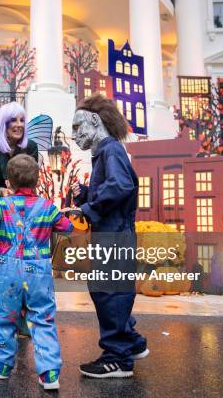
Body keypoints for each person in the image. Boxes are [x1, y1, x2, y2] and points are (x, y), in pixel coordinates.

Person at [0, 154, 73, 390]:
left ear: (9, 183)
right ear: (37, 181)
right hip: (38, 269)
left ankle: (2, 366)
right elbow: (67, 227)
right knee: (43, 317)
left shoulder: (2, 205)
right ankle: (49, 373)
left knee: (4, 316)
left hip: (7, 268)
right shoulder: (47, 207)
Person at [70, 94, 148, 378]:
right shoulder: (107, 151)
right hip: (114, 234)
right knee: (110, 291)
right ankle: (131, 343)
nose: (74, 134)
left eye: (78, 127)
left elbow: (121, 185)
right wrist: (87, 196)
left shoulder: (110, 150)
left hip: (115, 236)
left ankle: (118, 358)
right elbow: (116, 188)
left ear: (94, 120)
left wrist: (90, 206)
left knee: (108, 292)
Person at [0, 101, 38, 336]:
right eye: (13, 120)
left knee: (22, 266)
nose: (18, 125)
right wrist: (0, 191)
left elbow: (33, 179)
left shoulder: (30, 147)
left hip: (24, 213)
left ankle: (21, 317)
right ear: (4, 123)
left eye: (22, 120)